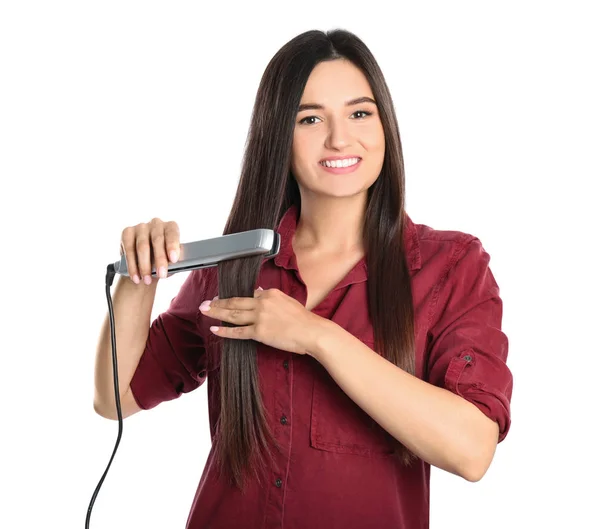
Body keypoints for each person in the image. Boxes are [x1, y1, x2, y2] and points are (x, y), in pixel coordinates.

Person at [94, 28, 513, 529]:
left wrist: (316, 336)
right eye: (311, 119)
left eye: (360, 113)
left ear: (386, 127)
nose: (339, 139)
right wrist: (139, 275)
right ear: (279, 135)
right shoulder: (236, 266)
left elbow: (471, 450)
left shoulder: (451, 266)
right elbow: (114, 398)